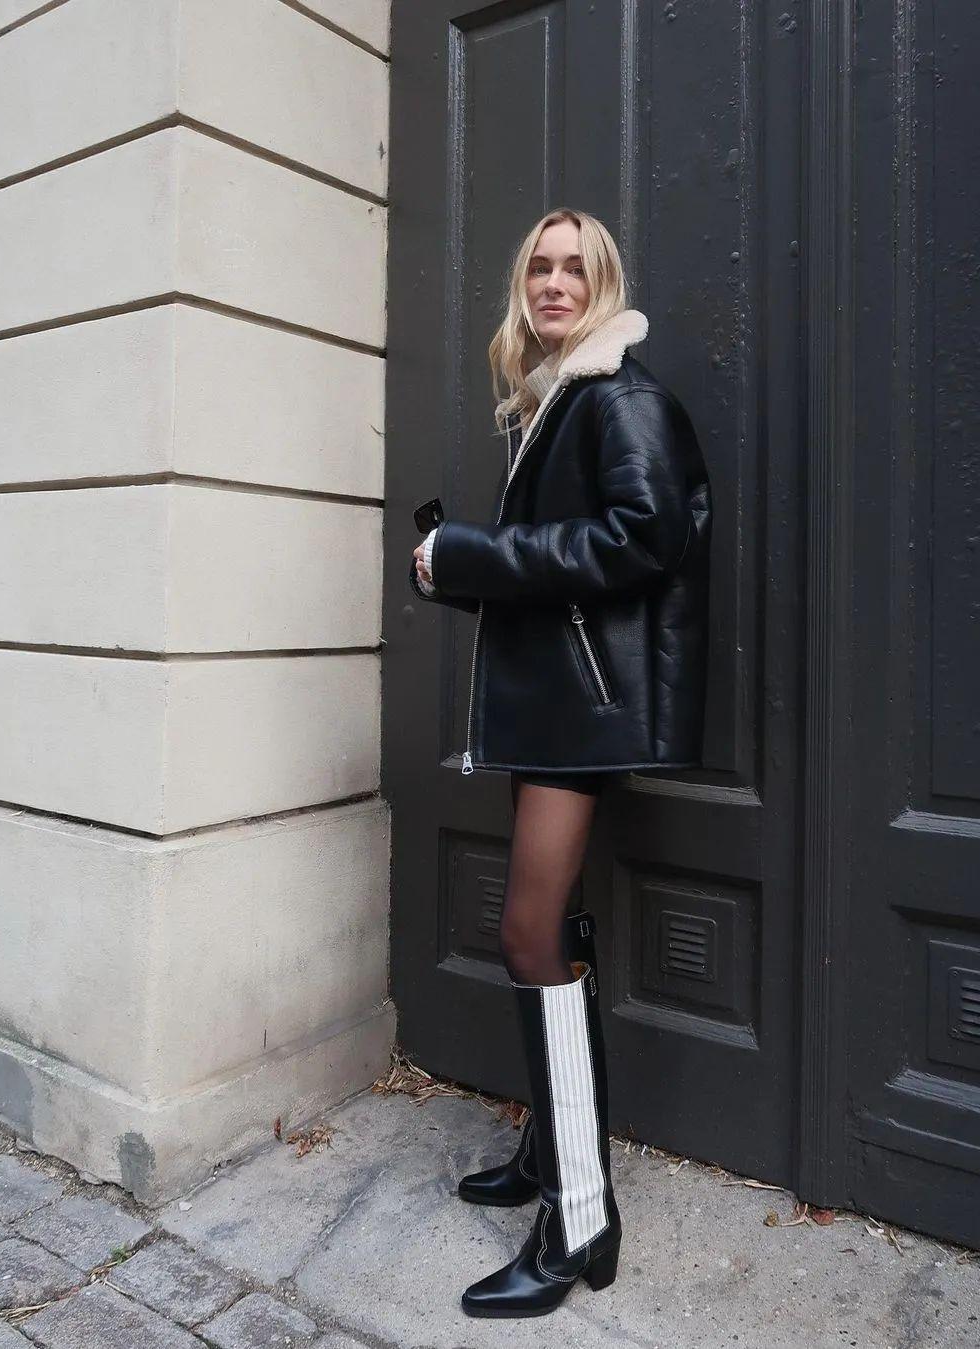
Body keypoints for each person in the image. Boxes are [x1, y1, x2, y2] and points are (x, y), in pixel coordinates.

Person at [408, 208, 712, 1317]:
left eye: (574, 268)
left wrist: (469, 553)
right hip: (561, 706)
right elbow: (583, 554)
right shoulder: (557, 400)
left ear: (603, 285)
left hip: (584, 712)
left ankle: (580, 1216)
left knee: (530, 936)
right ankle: (549, 1156)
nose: (552, 281)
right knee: (549, 929)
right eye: (538, 264)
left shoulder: (620, 397)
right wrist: (458, 566)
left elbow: (642, 537)